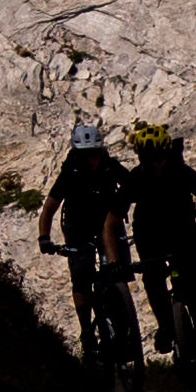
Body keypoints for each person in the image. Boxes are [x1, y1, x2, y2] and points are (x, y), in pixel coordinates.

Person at [126, 121, 196, 359]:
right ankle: (166, 326)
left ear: (167, 156)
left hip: (182, 235)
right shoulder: (136, 178)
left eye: (157, 159)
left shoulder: (182, 174)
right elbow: (111, 222)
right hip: (149, 237)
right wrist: (115, 261)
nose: (153, 165)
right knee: (152, 278)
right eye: (146, 159)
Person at [37, 117, 133, 355]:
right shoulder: (71, 172)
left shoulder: (111, 166)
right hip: (78, 227)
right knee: (81, 274)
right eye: (87, 154)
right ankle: (87, 332)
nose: (93, 159)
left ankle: (123, 329)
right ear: (77, 154)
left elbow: (134, 186)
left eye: (95, 153)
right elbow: (49, 208)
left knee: (119, 272)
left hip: (109, 225)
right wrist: (44, 238)